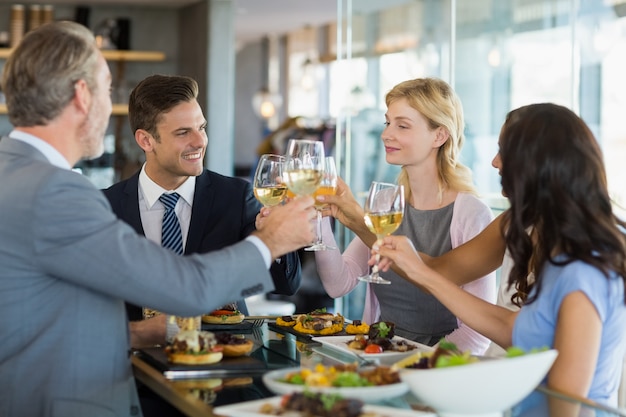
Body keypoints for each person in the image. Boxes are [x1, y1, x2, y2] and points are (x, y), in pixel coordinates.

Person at [0, 21, 316, 417]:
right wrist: (270, 241)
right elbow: (187, 287)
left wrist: (133, 332)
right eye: (108, 86)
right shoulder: (56, 191)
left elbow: (36, 317)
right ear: (83, 95)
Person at [375, 103, 626, 406]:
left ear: (536, 166)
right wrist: (419, 270)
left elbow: (565, 402)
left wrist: (422, 273)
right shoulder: (553, 246)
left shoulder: (582, 271)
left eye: (504, 151)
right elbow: (510, 328)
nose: (494, 162)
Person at [103, 74, 301, 347]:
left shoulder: (236, 197)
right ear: (146, 140)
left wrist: (276, 238)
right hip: (136, 372)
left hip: (224, 367)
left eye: (202, 127)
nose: (200, 141)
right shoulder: (106, 208)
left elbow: (285, 284)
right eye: (184, 132)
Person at [314, 78, 496, 354]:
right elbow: (339, 283)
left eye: (402, 125)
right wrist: (320, 218)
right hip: (379, 355)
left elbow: (477, 334)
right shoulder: (386, 202)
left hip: (439, 368)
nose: (386, 134)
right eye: (388, 123)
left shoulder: (470, 213)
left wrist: (414, 365)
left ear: (439, 135)